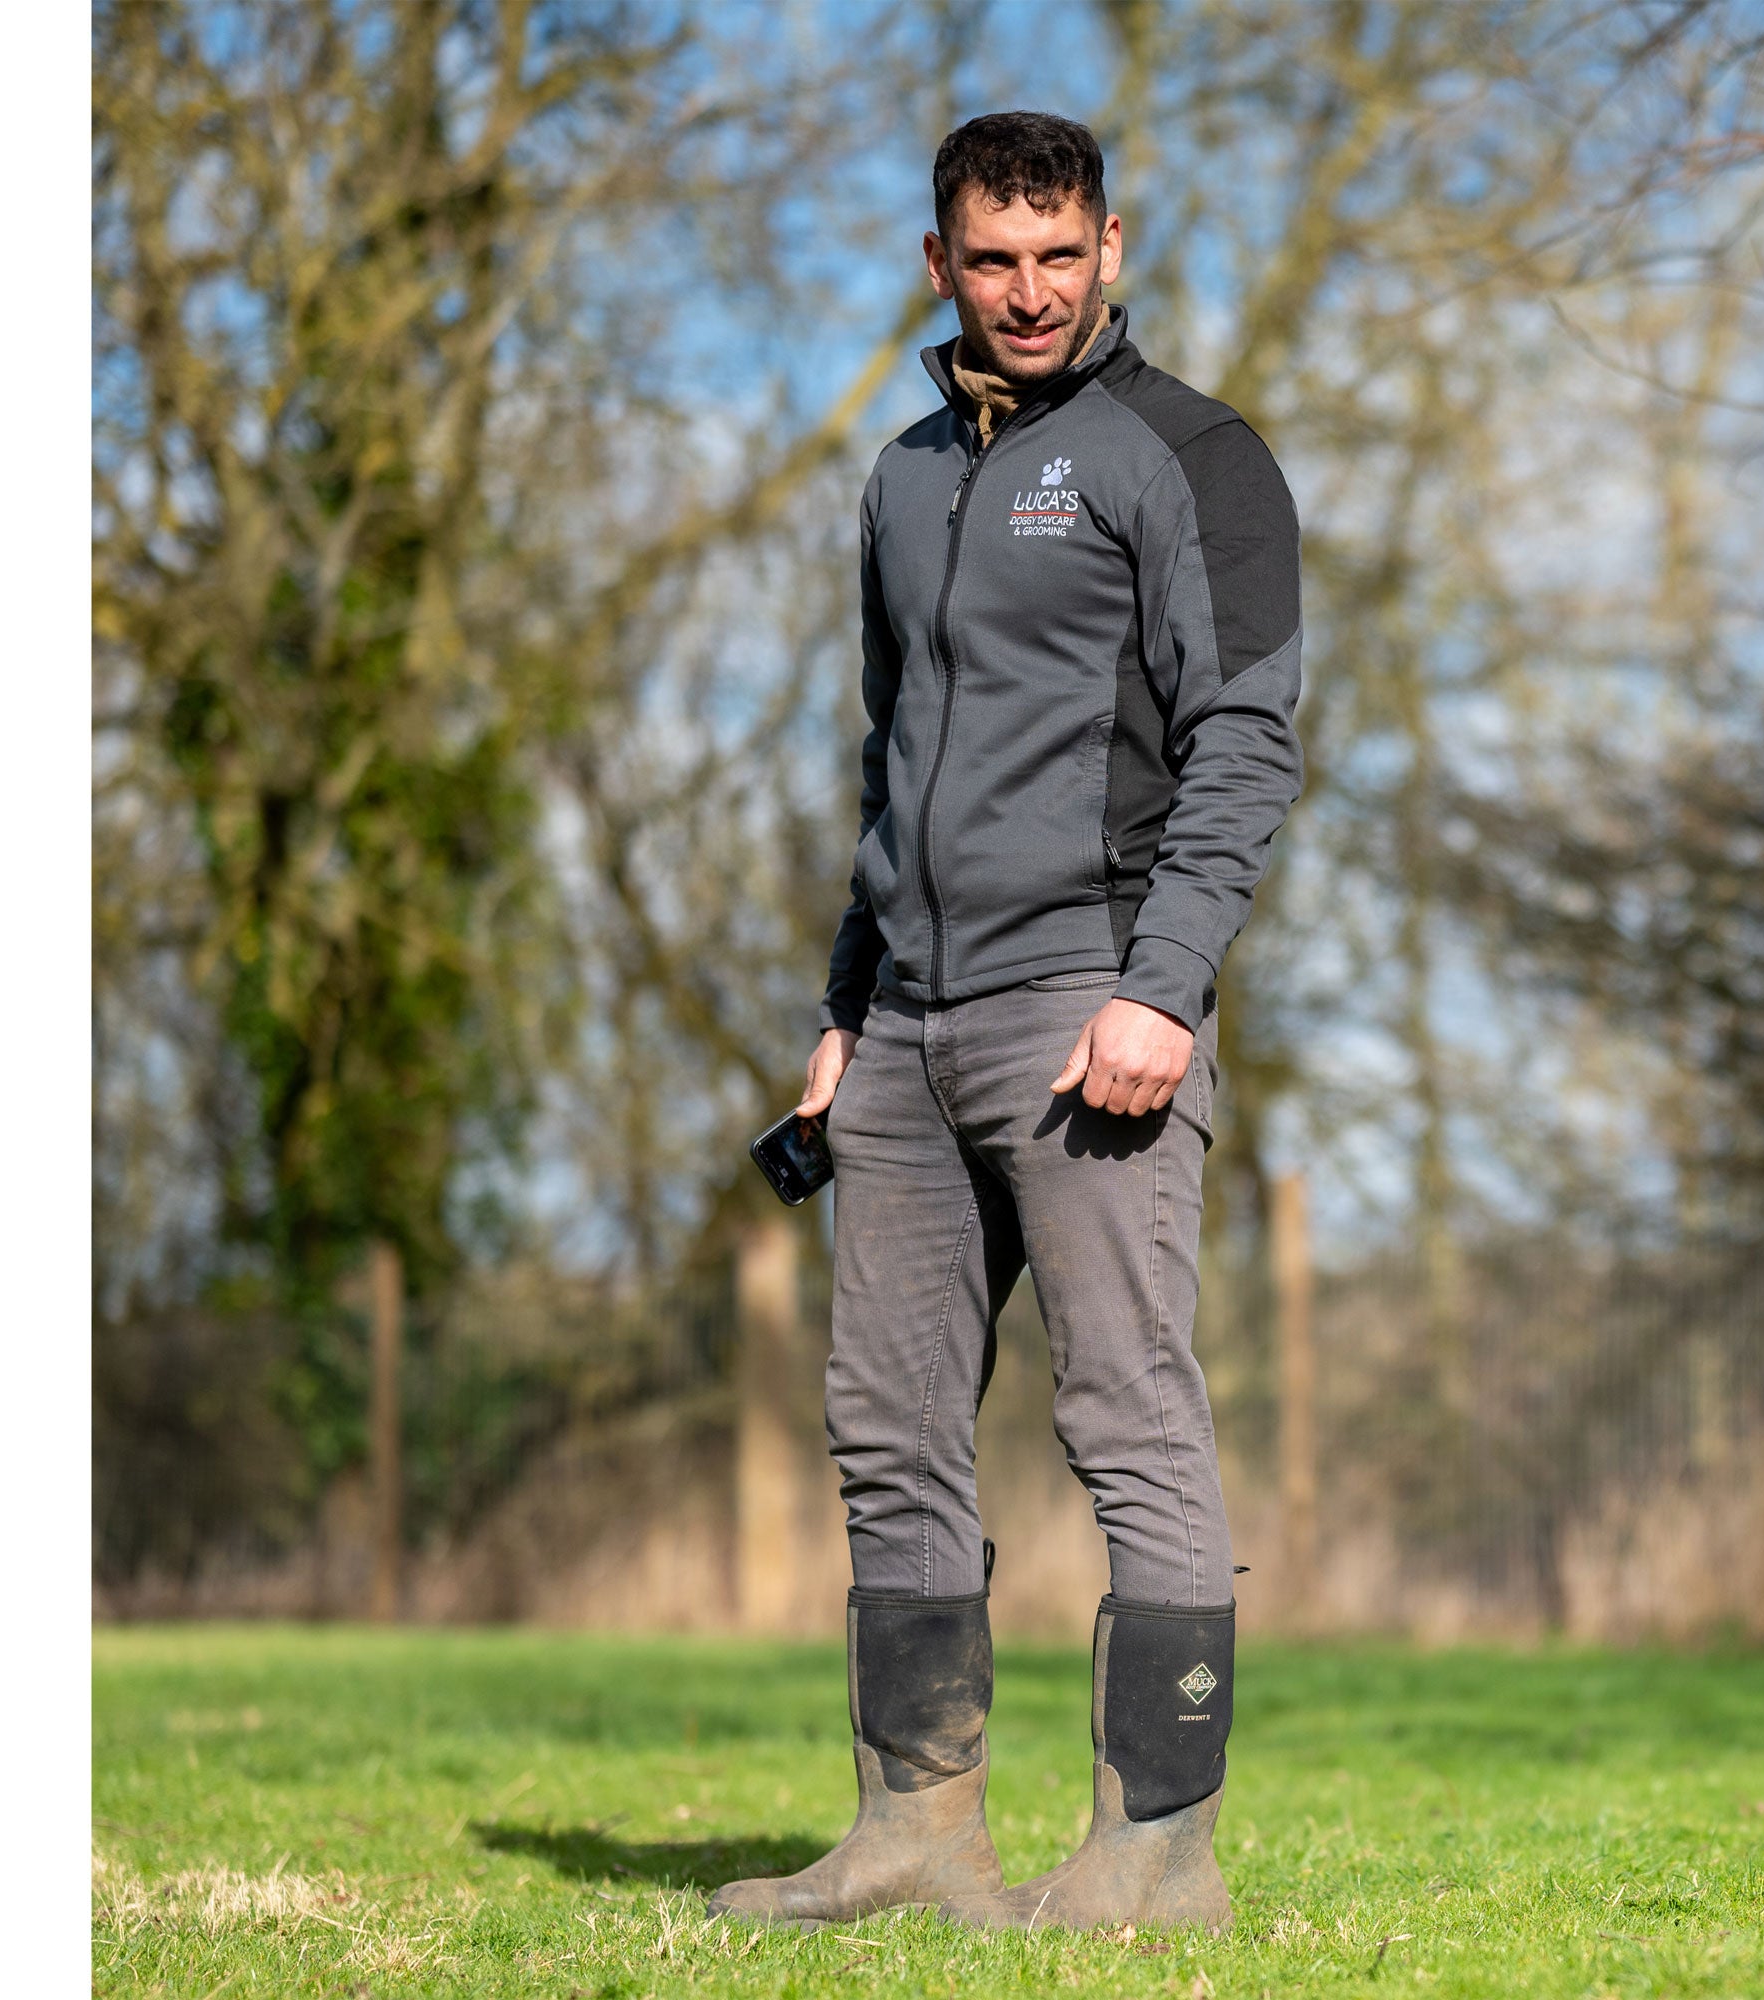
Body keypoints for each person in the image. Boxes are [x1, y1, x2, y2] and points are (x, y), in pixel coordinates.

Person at [708, 110, 1303, 1936]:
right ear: (938, 264)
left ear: (1112, 247)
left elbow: (1246, 737)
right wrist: (844, 1009)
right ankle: (913, 1834)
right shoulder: (900, 477)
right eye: (994, 259)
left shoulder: (1189, 456)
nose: (1030, 292)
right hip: (906, 1030)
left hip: (1087, 1010)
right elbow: (892, 772)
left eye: (1062, 256)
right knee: (888, 1425)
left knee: (1129, 1415)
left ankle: (1155, 1857)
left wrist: (1164, 985)